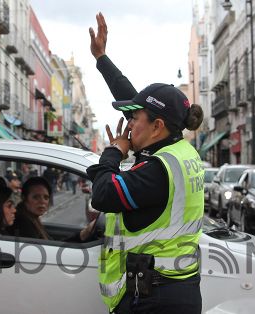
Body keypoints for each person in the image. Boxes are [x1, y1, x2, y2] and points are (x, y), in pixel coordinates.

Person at [87, 13, 204, 313]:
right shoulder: (177, 149)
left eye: (134, 119)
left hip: (157, 298)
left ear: (157, 126)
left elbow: (103, 194)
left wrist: (114, 151)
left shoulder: (158, 170)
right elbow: (133, 99)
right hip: (172, 289)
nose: (129, 125)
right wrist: (102, 58)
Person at [9, 177, 96, 241]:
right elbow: (49, 251)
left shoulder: (32, 217)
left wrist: (83, 234)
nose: (42, 201)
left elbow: (51, 243)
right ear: (24, 198)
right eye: (36, 197)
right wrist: (82, 235)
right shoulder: (22, 221)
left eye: (46, 197)